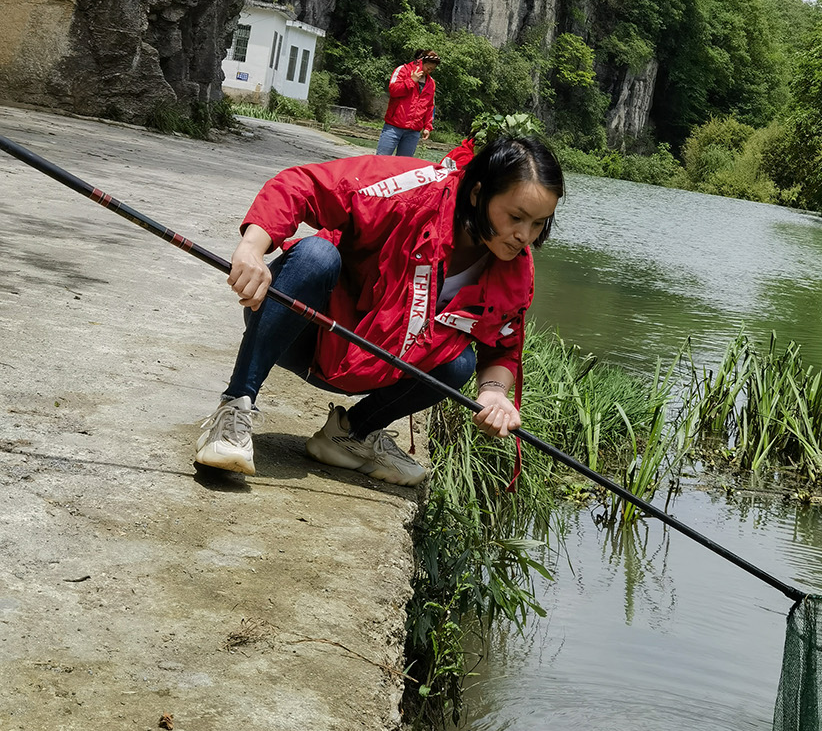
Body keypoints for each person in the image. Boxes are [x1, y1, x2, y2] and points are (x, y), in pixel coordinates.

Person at [195, 136, 564, 485]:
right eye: (516, 217)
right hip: (306, 333)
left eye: (538, 223)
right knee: (315, 256)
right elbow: (302, 186)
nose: (525, 236)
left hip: (382, 366)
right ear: (478, 193)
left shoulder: (516, 270)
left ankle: (351, 434)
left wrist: (495, 392)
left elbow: (502, 346)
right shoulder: (412, 189)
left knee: (461, 364)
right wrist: (252, 249)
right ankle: (234, 407)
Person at [376, 50, 440, 156]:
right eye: (429, 67)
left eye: (433, 69)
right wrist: (411, 80)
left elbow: (429, 106)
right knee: (381, 161)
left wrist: (428, 127)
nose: (431, 70)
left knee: (403, 166)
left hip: (413, 131)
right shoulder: (403, 70)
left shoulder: (431, 83)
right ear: (421, 62)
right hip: (394, 126)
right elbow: (393, 90)